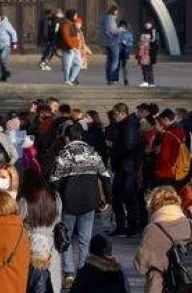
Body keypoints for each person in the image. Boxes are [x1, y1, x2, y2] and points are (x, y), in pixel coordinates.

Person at [50, 122, 111, 276]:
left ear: (67, 138)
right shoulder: (92, 152)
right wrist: (108, 200)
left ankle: (69, 271)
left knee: (66, 237)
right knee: (85, 238)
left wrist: (53, 200)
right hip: (90, 201)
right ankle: (83, 270)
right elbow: (105, 177)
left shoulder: (64, 153)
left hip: (69, 202)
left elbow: (55, 180)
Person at [108, 104, 145, 235]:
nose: (114, 116)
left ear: (121, 113)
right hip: (124, 166)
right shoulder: (126, 124)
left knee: (127, 197)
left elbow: (129, 146)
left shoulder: (129, 125)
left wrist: (115, 151)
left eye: (115, 114)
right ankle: (122, 226)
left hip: (127, 167)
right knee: (119, 197)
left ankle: (130, 226)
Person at [61, 10, 86, 85]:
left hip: (76, 48)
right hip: (69, 48)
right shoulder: (66, 24)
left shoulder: (72, 23)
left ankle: (72, 79)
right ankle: (66, 80)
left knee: (78, 64)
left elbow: (75, 36)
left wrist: (78, 45)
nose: (76, 17)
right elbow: (66, 36)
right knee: (67, 65)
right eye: (75, 15)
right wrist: (71, 46)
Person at [101, 3, 122, 83]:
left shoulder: (105, 18)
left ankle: (109, 78)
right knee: (115, 61)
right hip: (113, 42)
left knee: (109, 60)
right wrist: (119, 30)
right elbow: (111, 31)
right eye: (117, 12)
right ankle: (112, 78)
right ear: (114, 11)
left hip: (107, 42)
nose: (117, 13)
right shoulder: (110, 19)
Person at [0, 13, 19, 82]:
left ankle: (7, 72)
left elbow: (13, 32)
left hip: (6, 44)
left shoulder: (6, 24)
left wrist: (14, 42)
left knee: (3, 58)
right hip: (0, 44)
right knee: (1, 61)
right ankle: (3, 76)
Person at [136, 20, 159, 88]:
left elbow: (154, 40)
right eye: (146, 23)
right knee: (146, 67)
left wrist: (145, 41)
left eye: (149, 23)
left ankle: (147, 81)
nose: (147, 25)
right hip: (144, 52)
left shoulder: (153, 31)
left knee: (147, 67)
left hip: (148, 52)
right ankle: (149, 82)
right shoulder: (143, 31)